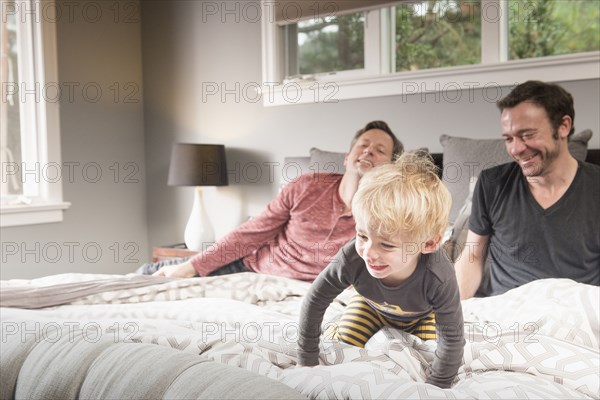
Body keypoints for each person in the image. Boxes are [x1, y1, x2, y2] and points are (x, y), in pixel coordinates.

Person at [146, 121, 404, 279]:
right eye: (364, 144)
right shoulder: (306, 186)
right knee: (153, 274)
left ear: (390, 167)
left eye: (380, 150)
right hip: (251, 270)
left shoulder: (390, 212)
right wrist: (192, 265)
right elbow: (252, 232)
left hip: (314, 290)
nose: (369, 150)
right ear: (347, 157)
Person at [296, 153, 464, 389]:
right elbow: (315, 300)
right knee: (344, 344)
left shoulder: (438, 275)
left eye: (387, 244)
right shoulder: (351, 258)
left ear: (428, 244)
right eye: (362, 235)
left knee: (429, 353)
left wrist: (438, 386)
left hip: (422, 316)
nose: (369, 252)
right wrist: (307, 360)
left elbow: (452, 337)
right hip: (370, 307)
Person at [455, 80, 600, 299]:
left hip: (575, 316)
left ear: (563, 126)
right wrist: (451, 316)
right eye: (509, 138)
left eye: (528, 135)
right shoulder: (491, 183)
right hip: (505, 316)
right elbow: (472, 258)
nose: (516, 149)